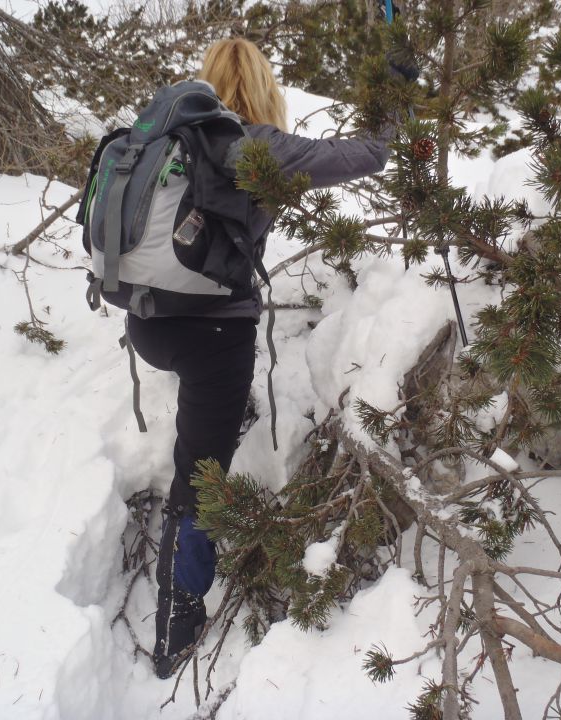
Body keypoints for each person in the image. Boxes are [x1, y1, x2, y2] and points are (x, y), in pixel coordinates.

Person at [126, 37, 410, 679]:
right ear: (263, 89)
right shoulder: (248, 143)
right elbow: (367, 154)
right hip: (210, 338)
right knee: (198, 475)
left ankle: (225, 410)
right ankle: (179, 614)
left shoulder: (168, 139)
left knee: (208, 403)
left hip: (147, 323)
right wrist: (393, 98)